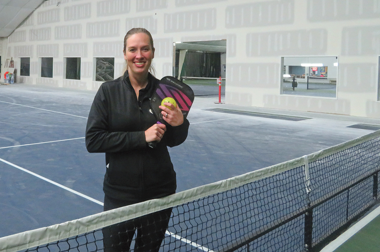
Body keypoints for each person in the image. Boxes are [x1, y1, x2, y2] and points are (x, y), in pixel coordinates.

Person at [85, 27, 190, 251]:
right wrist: (141, 137)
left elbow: (173, 140)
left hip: (159, 194)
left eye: (145, 49)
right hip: (119, 195)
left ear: (152, 52)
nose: (139, 55)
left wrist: (180, 123)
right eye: (133, 49)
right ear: (124, 53)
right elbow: (93, 140)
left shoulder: (165, 92)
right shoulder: (108, 92)